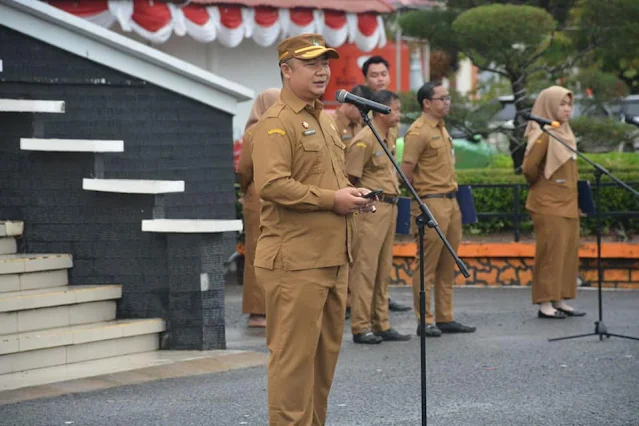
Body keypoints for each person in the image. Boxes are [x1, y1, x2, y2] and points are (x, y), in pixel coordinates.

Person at [251, 33, 376, 425]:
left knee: (322, 367)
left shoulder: (323, 119)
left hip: (332, 259)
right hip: (295, 263)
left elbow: (327, 179)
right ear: (286, 71)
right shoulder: (276, 123)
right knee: (293, 364)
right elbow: (271, 185)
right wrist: (331, 200)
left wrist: (352, 195)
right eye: (311, 64)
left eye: (325, 62)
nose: (323, 70)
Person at [400, 82, 476, 337]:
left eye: (448, 98)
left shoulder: (442, 129)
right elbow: (406, 173)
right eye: (442, 98)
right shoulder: (418, 132)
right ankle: (426, 319)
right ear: (427, 103)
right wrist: (419, 205)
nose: (447, 102)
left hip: (451, 201)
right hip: (430, 202)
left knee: (448, 263)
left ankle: (445, 317)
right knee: (427, 265)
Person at [345, 89, 411, 344]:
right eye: (394, 109)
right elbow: (350, 178)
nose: (398, 114)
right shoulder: (364, 140)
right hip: (371, 209)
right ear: (380, 110)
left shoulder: (388, 134)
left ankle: (381, 323)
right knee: (365, 268)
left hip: (390, 207)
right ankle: (361, 326)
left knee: (383, 268)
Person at [522, 86, 586, 319]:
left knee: (567, 254)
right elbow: (528, 169)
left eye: (569, 104)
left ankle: (560, 299)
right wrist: (546, 185)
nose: (567, 109)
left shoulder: (566, 132)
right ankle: (544, 304)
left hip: (568, 203)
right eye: (562, 104)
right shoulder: (543, 134)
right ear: (548, 105)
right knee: (550, 254)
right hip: (548, 204)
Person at [361, 55, 411, 313]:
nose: (380, 79)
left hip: (389, 197)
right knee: (367, 263)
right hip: (371, 203)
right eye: (374, 75)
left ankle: (381, 310)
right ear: (366, 79)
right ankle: (363, 316)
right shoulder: (362, 108)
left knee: (383, 262)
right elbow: (352, 171)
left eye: (383, 74)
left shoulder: (391, 114)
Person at [236, 88, 281, 328]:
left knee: (256, 254)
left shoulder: (253, 132)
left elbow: (244, 170)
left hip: (257, 194)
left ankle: (258, 311)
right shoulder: (285, 127)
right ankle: (263, 311)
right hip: (281, 196)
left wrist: (246, 191)